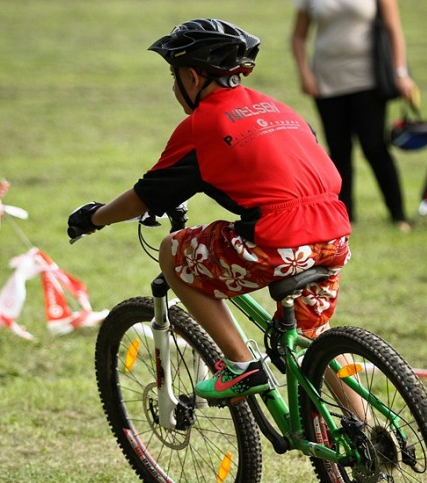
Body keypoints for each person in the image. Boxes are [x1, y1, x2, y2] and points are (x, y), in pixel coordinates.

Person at [67, 19, 351, 402]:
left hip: (278, 242)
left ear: (192, 75)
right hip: (334, 237)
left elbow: (145, 196)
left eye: (173, 74)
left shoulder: (203, 124)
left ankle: (240, 366)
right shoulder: (280, 109)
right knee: (308, 342)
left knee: (173, 250)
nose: (173, 86)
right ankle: (368, 432)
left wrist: (93, 218)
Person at [291, 0, 416, 232]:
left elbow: (393, 28)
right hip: (327, 81)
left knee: (374, 147)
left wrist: (400, 72)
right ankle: (344, 218)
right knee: (338, 151)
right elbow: (298, 37)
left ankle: (398, 215)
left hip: (367, 79)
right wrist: (305, 74)